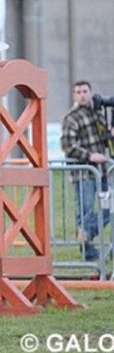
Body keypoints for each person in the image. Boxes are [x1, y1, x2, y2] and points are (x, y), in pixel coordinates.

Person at [61, 80, 114, 261]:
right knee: (85, 211)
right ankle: (89, 254)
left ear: (90, 93)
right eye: (78, 92)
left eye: (85, 91)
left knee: (109, 208)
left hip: (103, 171)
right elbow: (68, 145)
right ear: (74, 95)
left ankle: (86, 232)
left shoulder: (97, 114)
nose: (82, 94)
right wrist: (90, 156)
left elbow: (105, 138)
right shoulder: (71, 117)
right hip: (84, 173)